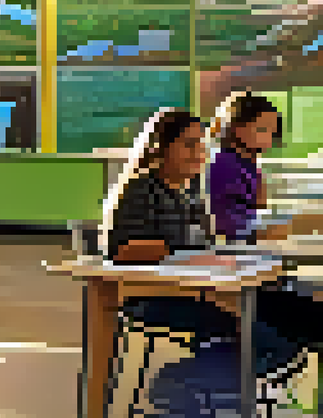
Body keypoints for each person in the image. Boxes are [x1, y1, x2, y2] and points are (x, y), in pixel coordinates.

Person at [104, 108, 320, 381]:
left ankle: (211, 389)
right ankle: (178, 385)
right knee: (272, 339)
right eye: (189, 144)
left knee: (308, 318)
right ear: (161, 148)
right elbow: (126, 252)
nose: (199, 153)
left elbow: (206, 243)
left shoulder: (192, 190)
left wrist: (217, 257)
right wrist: (184, 253)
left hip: (207, 288)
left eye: (202, 145)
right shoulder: (141, 188)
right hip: (162, 296)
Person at [208, 91, 284, 244]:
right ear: (236, 127)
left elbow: (259, 207)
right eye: (262, 129)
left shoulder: (247, 163)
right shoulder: (223, 164)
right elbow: (229, 226)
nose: (269, 139)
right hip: (230, 245)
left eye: (272, 132)